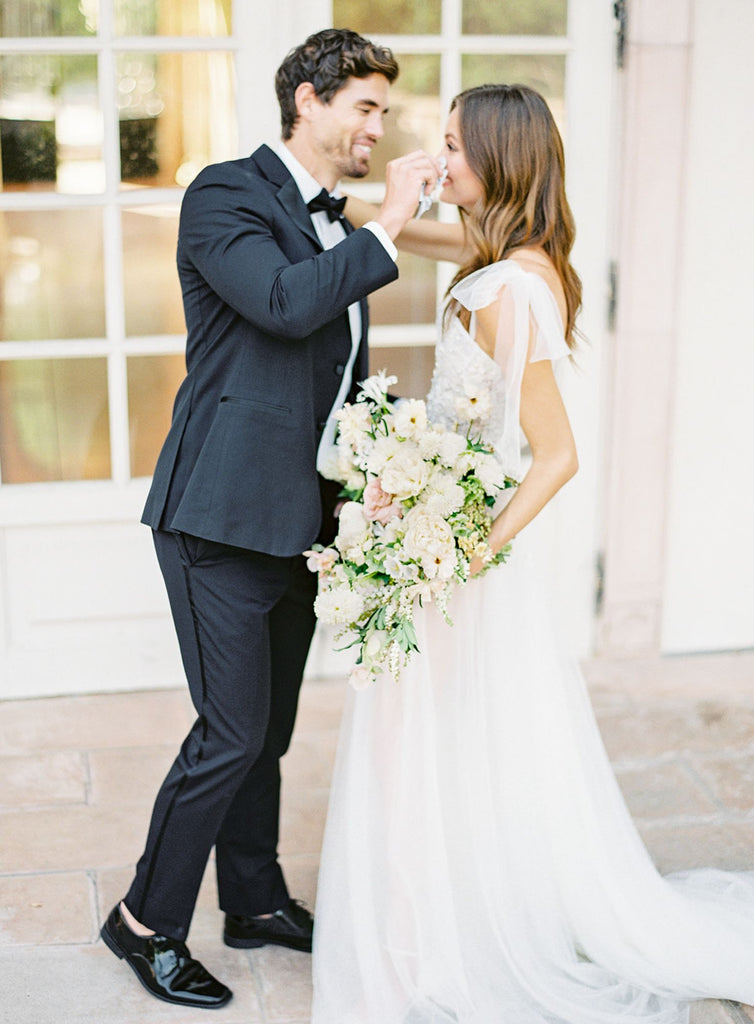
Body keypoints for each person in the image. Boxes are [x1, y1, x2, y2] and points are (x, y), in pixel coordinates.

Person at [311, 84, 754, 1024]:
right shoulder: (505, 262)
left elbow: (556, 457)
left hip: (456, 554)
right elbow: (414, 239)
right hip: (439, 532)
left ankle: (426, 933)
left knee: (412, 753)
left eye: (455, 148)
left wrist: (465, 551)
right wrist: (340, 196)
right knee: (446, 747)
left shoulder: (505, 287)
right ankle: (430, 915)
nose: (443, 160)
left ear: (503, 162)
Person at [99, 29, 441, 1010]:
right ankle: (143, 921)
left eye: (385, 109)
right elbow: (287, 305)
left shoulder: (332, 218)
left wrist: (366, 480)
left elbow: (335, 377)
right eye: (365, 107)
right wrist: (386, 227)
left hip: (297, 519)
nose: (380, 126)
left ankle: (251, 899)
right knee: (229, 732)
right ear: (307, 101)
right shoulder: (225, 194)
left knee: (270, 732)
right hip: (215, 512)